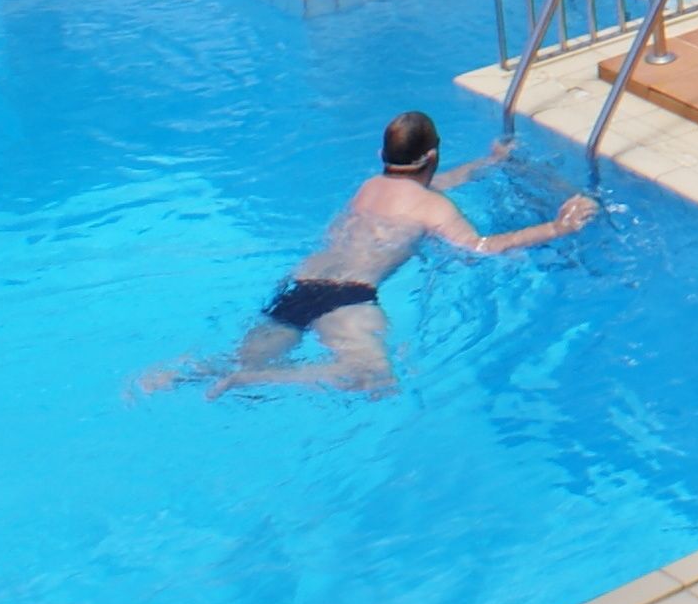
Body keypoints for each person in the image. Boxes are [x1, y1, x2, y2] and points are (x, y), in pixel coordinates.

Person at [173, 112, 595, 397]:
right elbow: (480, 248)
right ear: (432, 155)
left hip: (300, 282)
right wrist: (556, 227)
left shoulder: (370, 188)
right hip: (348, 296)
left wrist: (487, 162)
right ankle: (257, 377)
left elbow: (435, 182)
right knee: (375, 378)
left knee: (239, 354)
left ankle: (184, 373)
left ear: (382, 157)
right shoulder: (432, 207)